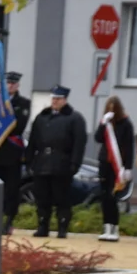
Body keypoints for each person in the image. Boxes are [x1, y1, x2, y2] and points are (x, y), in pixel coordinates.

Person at [26, 85, 87, 238]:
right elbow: (33, 140)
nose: (55, 101)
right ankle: (42, 226)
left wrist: (74, 164)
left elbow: (79, 144)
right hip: (42, 164)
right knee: (42, 198)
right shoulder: (42, 117)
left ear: (65, 100)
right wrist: (29, 160)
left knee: (62, 198)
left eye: (58, 99)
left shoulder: (74, 118)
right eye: (53, 98)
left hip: (62, 164)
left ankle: (62, 227)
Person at [0, 71, 30, 235]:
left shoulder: (23, 103)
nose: (10, 86)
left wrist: (4, 118)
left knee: (11, 190)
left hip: (12, 153)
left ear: (17, 85)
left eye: (13, 83)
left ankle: (9, 221)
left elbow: (19, 125)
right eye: (8, 83)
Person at [94, 95, 134, 242]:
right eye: (108, 108)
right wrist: (103, 123)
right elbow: (98, 139)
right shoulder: (105, 122)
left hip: (118, 165)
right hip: (105, 162)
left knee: (113, 196)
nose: (111, 110)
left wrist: (128, 167)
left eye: (113, 108)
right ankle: (106, 226)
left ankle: (115, 227)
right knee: (104, 196)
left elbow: (129, 146)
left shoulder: (126, 123)